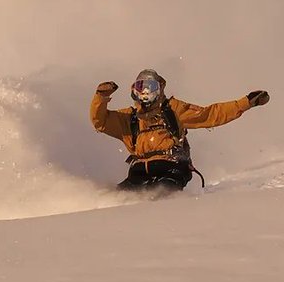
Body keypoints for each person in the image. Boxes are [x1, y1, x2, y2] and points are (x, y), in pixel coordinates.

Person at [90, 68, 270, 192]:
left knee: (157, 195)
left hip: (171, 167)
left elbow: (210, 114)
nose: (145, 93)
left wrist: (246, 103)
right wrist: (101, 96)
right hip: (139, 171)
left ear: (159, 89)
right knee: (115, 197)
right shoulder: (129, 118)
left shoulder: (172, 110)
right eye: (140, 88)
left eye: (150, 88)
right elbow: (101, 122)